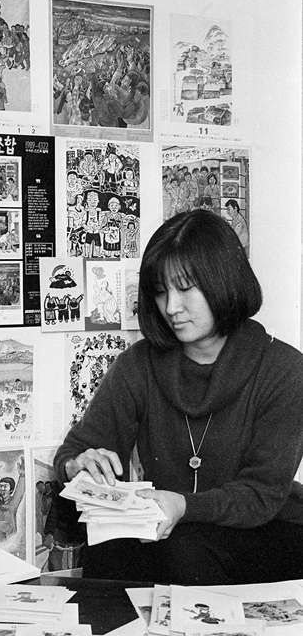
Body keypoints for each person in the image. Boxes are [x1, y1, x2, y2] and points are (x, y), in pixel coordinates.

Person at [54, 209, 303, 586]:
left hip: (266, 532)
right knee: (107, 546)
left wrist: (184, 505)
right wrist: (78, 465)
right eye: (160, 291)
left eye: (186, 288)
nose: (171, 307)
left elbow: (261, 495)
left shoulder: (284, 369)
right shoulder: (138, 365)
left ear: (224, 282)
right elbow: (77, 450)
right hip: (173, 532)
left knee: (185, 549)